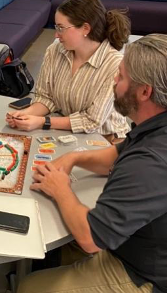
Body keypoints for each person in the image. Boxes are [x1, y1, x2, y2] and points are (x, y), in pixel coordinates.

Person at [19, 34, 167, 293]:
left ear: (145, 92)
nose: (114, 80)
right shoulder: (154, 126)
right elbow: (115, 156)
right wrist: (74, 157)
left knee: (31, 287)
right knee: (51, 249)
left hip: (143, 272)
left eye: (121, 77)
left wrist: (61, 188)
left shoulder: (150, 163)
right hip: (133, 241)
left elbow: (91, 239)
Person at [6, 0, 131, 143]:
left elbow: (92, 121)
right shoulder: (55, 50)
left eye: (61, 28)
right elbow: (46, 97)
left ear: (85, 28)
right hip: (67, 133)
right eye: (56, 27)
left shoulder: (114, 64)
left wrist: (42, 122)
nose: (56, 35)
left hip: (105, 139)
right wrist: (26, 115)